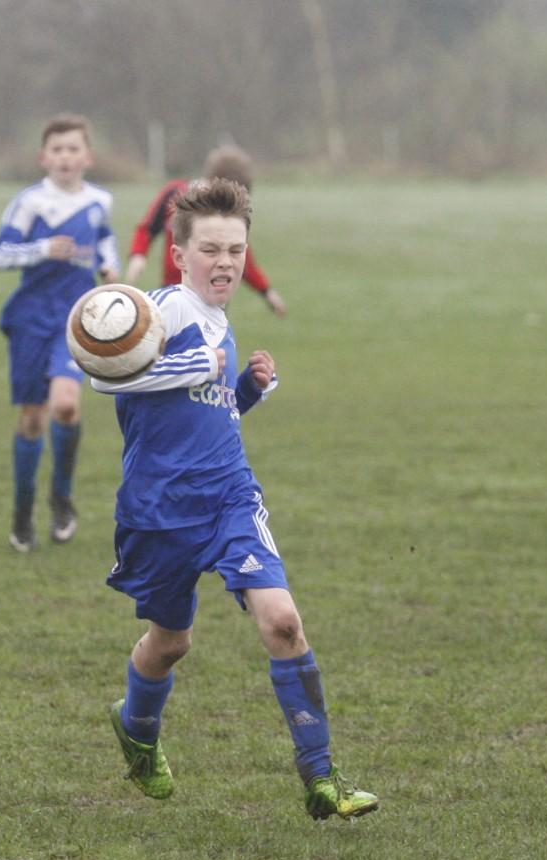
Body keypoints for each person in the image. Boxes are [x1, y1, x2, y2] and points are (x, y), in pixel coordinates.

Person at [98, 177, 377, 821]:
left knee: (282, 621)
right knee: (169, 643)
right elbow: (109, 378)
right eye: (213, 250)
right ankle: (137, 727)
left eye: (237, 250)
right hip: (159, 509)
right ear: (180, 254)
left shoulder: (220, 320)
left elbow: (211, 410)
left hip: (229, 497)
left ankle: (323, 778)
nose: (226, 262)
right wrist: (197, 367)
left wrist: (248, 390)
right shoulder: (157, 310)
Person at [0, 113, 119, 552]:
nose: (66, 157)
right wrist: (43, 249)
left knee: (66, 404)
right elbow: (0, 254)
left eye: (73, 149)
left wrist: (109, 265)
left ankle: (61, 497)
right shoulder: (30, 203)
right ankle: (23, 512)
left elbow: (104, 239)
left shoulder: (100, 200)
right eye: (58, 149)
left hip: (77, 316)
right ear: (44, 157)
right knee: (32, 419)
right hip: (31, 317)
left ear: (88, 157)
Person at [124, 144, 286, 316]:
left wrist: (266, 291)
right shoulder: (174, 193)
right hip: (175, 291)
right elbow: (147, 228)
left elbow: (245, 261)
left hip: (213, 294)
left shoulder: (226, 229)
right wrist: (138, 255)